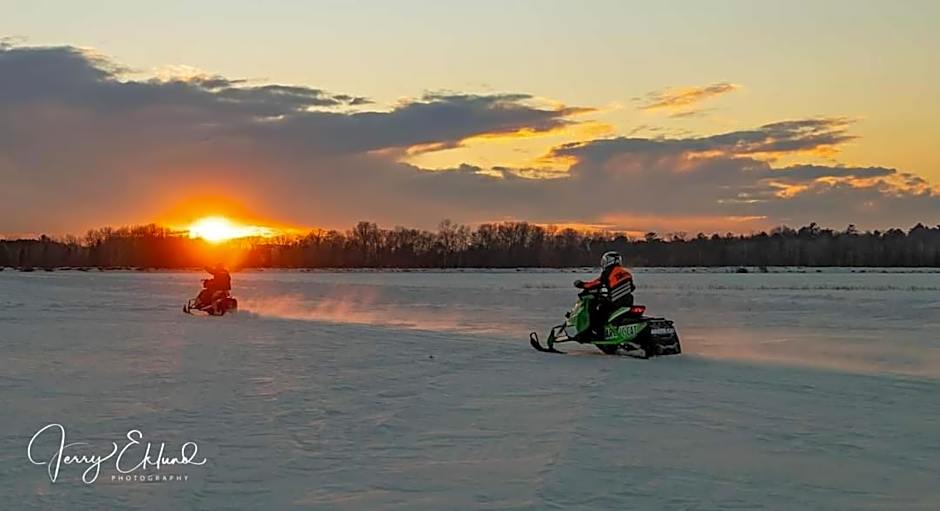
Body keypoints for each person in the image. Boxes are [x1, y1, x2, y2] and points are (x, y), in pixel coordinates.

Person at [574, 251, 635, 339]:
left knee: (598, 313)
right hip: (628, 302)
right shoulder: (627, 273)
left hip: (615, 302)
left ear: (608, 261)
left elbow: (596, 283)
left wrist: (582, 284)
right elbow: (632, 287)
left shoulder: (609, 272)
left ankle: (597, 332)